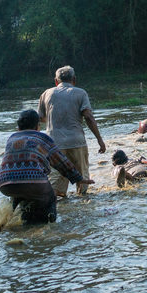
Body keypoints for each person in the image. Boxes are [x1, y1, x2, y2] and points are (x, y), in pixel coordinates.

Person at [0, 109, 92, 224]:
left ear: (18, 128)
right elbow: (61, 162)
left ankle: (7, 223)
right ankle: (48, 226)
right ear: (38, 126)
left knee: (20, 195)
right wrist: (79, 178)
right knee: (50, 197)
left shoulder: (11, 138)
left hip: (4, 184)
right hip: (33, 182)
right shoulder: (43, 138)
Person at [38, 66, 106, 197]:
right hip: (76, 142)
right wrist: (99, 140)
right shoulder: (80, 93)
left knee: (56, 183)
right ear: (74, 79)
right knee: (82, 180)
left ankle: (62, 211)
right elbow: (89, 117)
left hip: (54, 145)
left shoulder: (46, 93)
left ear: (56, 81)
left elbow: (40, 118)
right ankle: (83, 206)